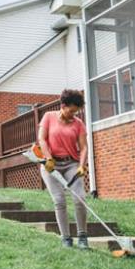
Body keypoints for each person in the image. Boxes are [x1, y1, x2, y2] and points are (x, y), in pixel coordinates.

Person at [37, 89, 89, 249]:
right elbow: (41, 139)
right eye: (72, 110)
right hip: (50, 165)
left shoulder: (78, 124)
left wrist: (81, 165)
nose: (74, 114)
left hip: (71, 164)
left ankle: (82, 237)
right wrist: (48, 158)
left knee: (79, 198)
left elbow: (84, 147)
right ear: (63, 105)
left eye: (77, 111)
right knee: (59, 200)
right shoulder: (48, 117)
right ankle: (66, 238)